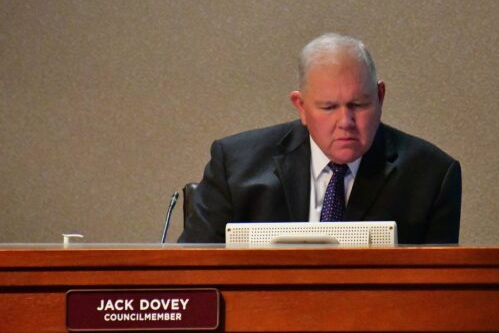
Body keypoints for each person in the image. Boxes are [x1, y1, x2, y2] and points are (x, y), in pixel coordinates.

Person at [178, 33, 461, 244]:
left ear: (380, 96)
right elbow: (187, 274)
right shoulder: (235, 165)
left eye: (359, 105)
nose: (345, 122)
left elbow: (438, 294)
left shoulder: (431, 175)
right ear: (301, 106)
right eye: (328, 108)